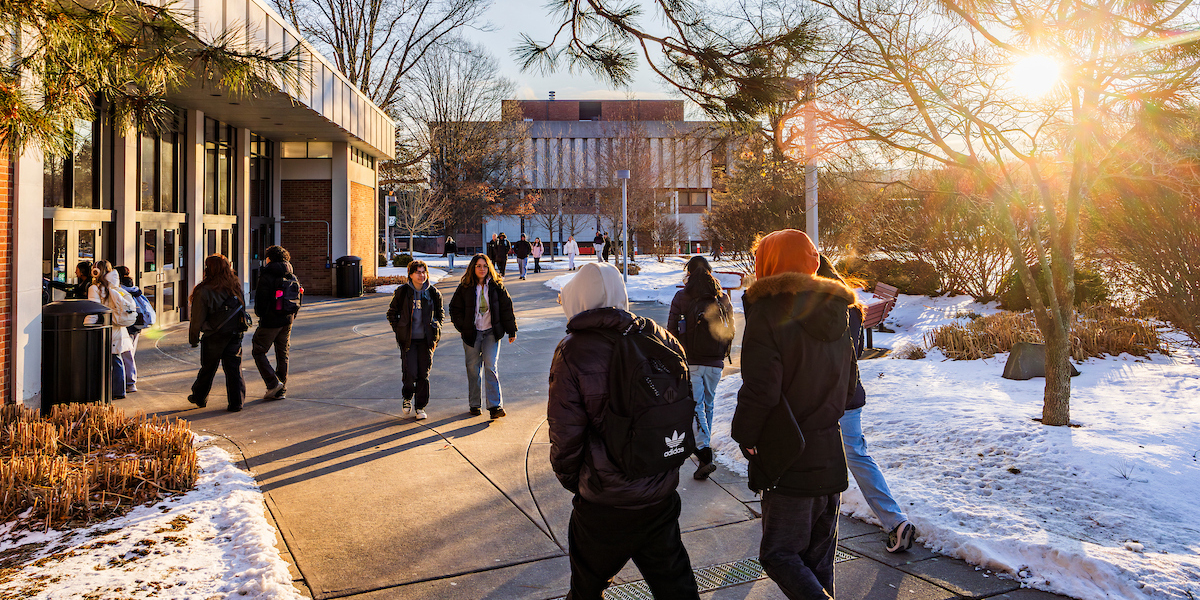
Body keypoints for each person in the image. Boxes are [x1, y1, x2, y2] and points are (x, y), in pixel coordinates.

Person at [548, 262, 701, 600]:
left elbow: (565, 433)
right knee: (676, 586)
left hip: (605, 501)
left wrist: (577, 480)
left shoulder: (573, 351)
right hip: (659, 493)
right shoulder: (661, 337)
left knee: (586, 588)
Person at [732, 229, 862, 600]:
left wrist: (747, 436)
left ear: (768, 263)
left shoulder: (768, 312)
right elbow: (850, 383)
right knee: (818, 563)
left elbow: (761, 390)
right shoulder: (838, 309)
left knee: (779, 554)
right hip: (829, 451)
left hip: (789, 455)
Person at [817, 255, 917, 553]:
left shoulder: (817, 311)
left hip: (823, 399)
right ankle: (895, 521)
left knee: (814, 458)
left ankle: (812, 527)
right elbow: (855, 352)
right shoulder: (852, 308)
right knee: (857, 457)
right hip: (850, 395)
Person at [667, 256, 734, 481]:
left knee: (695, 406)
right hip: (715, 363)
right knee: (708, 403)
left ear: (689, 272)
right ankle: (704, 448)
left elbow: (671, 330)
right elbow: (730, 330)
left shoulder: (681, 297)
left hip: (691, 361)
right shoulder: (722, 297)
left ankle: (705, 453)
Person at [448, 254, 517, 418]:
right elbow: (454, 308)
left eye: (485, 266)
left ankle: (495, 406)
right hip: (472, 333)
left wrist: (511, 330)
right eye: (478, 266)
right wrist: (462, 327)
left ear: (489, 268)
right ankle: (474, 404)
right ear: (473, 268)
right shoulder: (465, 287)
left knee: (490, 366)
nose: (481, 269)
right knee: (473, 369)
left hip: (491, 333)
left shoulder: (496, 286)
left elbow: (507, 308)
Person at [187, 254, 248, 412]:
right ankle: (236, 402)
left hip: (213, 335)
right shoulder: (235, 286)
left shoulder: (203, 290)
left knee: (208, 368)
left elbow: (197, 318)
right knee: (234, 369)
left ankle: (200, 397)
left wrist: (194, 338)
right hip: (234, 333)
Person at [387, 259, 444, 420]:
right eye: (418, 272)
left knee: (423, 374)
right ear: (411, 274)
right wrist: (400, 329)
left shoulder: (433, 293)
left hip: (426, 340)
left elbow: (440, 313)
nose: (421, 275)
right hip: (409, 341)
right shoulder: (403, 292)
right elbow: (391, 313)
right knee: (410, 372)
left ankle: (420, 407)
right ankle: (407, 398)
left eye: (423, 271)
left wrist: (436, 327)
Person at [252, 245, 301, 401]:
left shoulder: (266, 275)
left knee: (258, 350)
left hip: (270, 321)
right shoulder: (291, 274)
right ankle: (281, 388)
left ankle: (273, 384)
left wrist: (261, 314)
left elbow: (260, 302)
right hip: (288, 319)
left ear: (269, 258)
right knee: (282, 353)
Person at [87, 261, 132, 400]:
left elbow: (93, 310)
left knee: (106, 360)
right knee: (116, 359)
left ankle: (108, 390)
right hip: (117, 327)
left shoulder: (94, 288)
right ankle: (119, 390)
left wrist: (88, 326)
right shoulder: (115, 286)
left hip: (104, 328)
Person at [114, 265, 149, 394]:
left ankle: (129, 382)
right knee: (129, 354)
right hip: (136, 324)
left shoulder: (120, 290)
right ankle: (130, 381)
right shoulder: (134, 288)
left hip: (126, 324)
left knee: (125, 354)